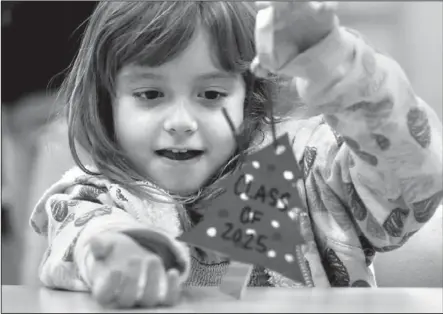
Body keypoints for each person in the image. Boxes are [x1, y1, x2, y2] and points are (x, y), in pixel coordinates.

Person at [30, 1, 442, 309]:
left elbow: (409, 183)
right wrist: (121, 253)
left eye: (211, 95)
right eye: (150, 94)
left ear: (248, 99)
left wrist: (340, 65)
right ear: (107, 104)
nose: (180, 121)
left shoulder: (306, 170)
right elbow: (86, 234)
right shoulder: (89, 196)